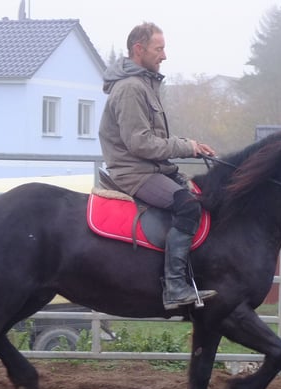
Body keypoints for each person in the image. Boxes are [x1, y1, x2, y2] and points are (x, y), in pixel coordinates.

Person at [98, 22, 218, 311]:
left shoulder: (144, 85)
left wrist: (190, 143)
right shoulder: (130, 89)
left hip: (151, 168)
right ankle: (175, 286)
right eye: (159, 49)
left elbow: (156, 139)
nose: (164, 56)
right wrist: (185, 147)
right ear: (138, 50)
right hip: (135, 173)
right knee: (187, 205)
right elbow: (140, 143)